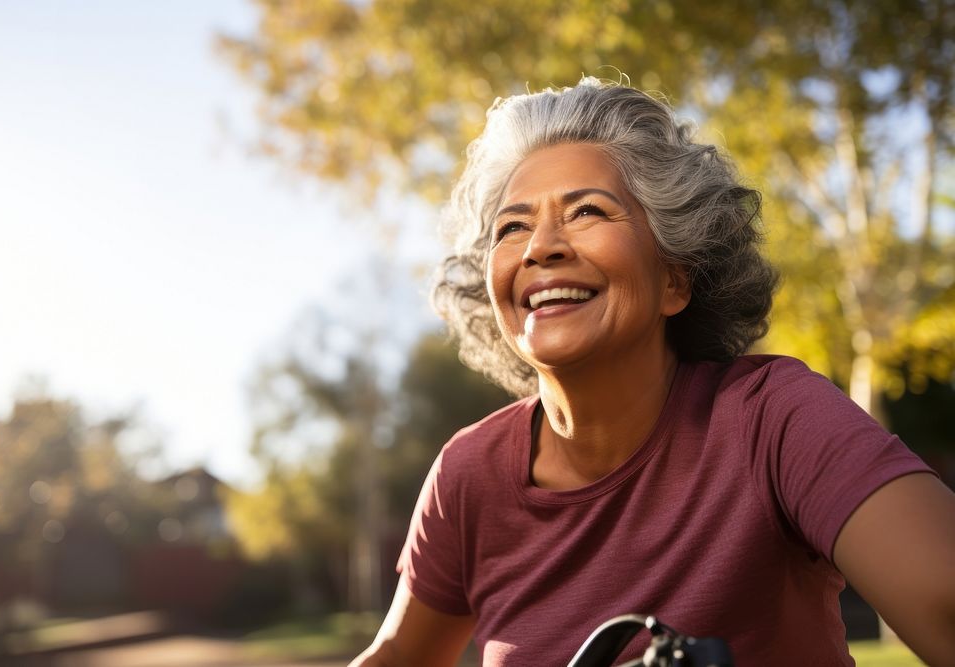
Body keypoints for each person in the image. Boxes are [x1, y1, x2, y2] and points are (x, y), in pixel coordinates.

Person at [349, 78, 955, 666]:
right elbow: (399, 656)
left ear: (674, 279)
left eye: (586, 211)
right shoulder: (468, 475)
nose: (540, 247)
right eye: (514, 226)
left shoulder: (773, 418)